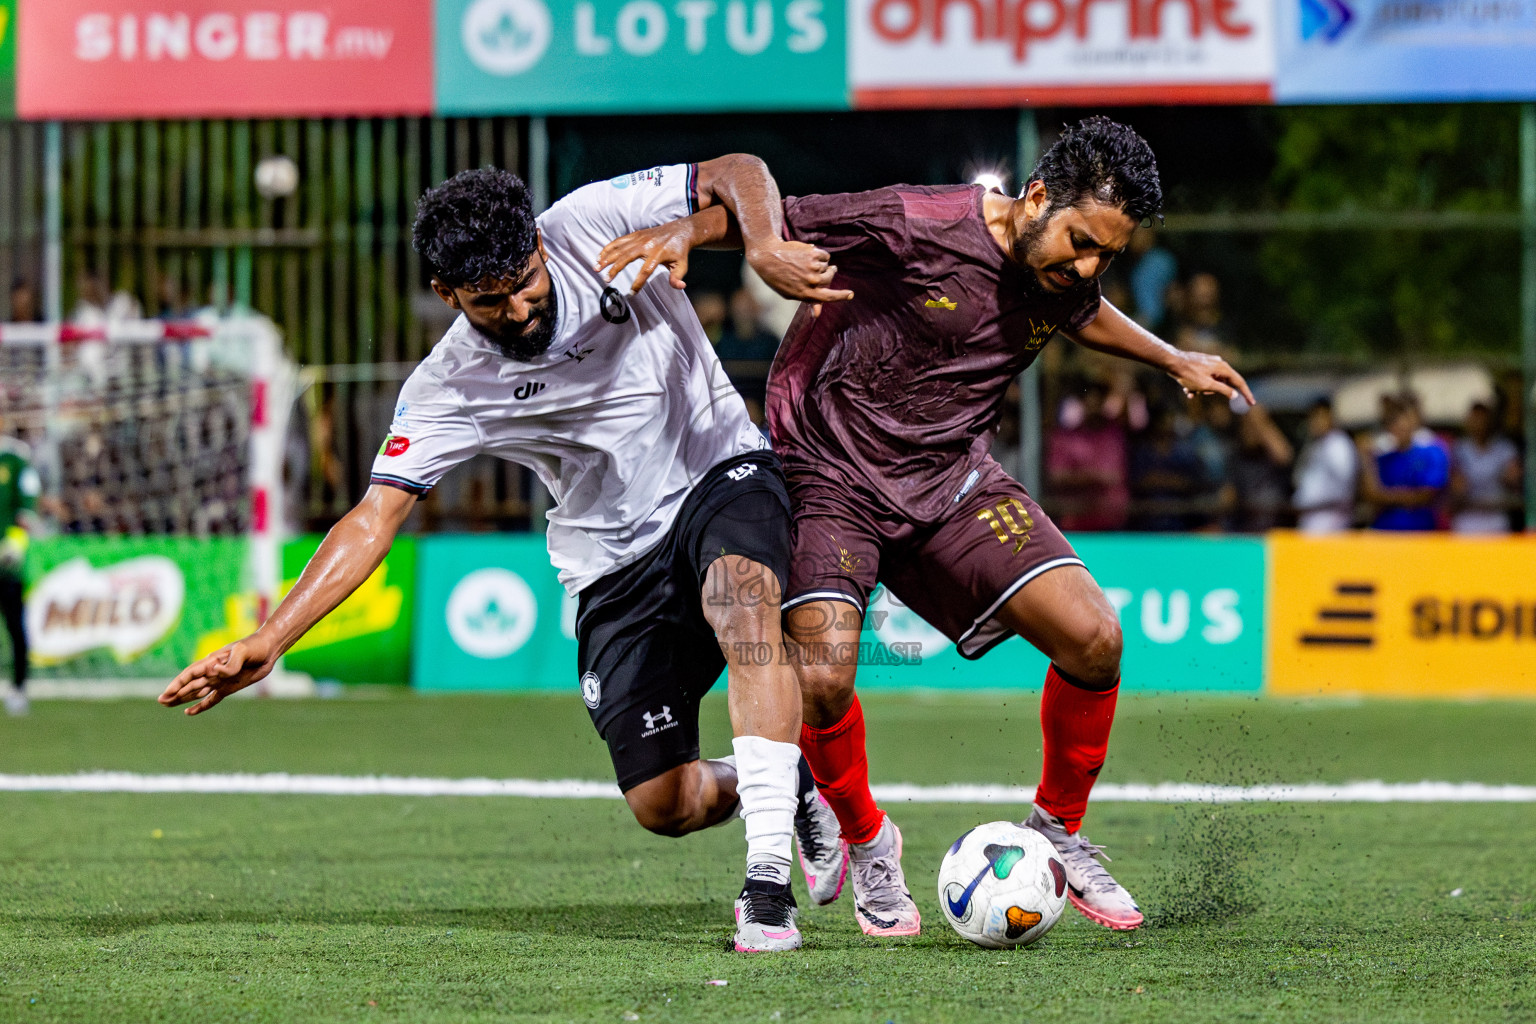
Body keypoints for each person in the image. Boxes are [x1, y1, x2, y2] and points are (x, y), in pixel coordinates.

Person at [159, 158, 854, 953]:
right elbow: (373, 517)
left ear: (536, 243)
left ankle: (766, 885)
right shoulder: (449, 387)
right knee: (665, 804)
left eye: (528, 279)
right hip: (611, 559)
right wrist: (269, 639)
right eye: (493, 300)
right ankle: (782, 781)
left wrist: (758, 240)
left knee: (744, 602)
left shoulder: (592, 219)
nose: (523, 305)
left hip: (717, 470)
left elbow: (736, 171)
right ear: (447, 294)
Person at [602, 116, 1253, 937]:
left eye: (1108, 255)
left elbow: (1084, 310)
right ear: (1038, 197)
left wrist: (1173, 360)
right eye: (1083, 242)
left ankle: (1057, 832)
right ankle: (869, 842)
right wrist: (690, 231)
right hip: (828, 472)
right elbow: (769, 212)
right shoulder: (918, 221)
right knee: (825, 676)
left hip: (950, 475)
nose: (1088, 266)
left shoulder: (1062, 271)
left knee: (1095, 637)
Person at [1045, 381, 1130, 531]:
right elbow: (1057, 476)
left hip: (1112, 520)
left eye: (1098, 403)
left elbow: (1114, 476)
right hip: (1075, 521)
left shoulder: (1114, 436)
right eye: (1090, 402)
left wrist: (1078, 476)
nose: (1094, 408)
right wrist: (1095, 477)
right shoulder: (1065, 438)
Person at [1360, 394, 1448, 531]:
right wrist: (1366, 459)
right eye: (1393, 421)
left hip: (1421, 532)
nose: (1399, 425)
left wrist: (1387, 497)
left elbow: (1426, 495)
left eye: (1404, 418)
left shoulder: (1432, 452)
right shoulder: (1383, 457)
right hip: (1386, 531)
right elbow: (1371, 495)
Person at [0, 417, 40, 716]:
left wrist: (12, 547)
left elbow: (25, 512)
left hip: (6, 565)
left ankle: (18, 688)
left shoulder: (15, 458)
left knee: (15, 626)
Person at [1449, 401, 1520, 534]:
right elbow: (1457, 486)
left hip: (1496, 517)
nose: (1479, 424)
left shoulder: (1504, 448)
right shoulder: (1460, 448)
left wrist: (1509, 477)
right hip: (1467, 518)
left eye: (1483, 419)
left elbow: (1513, 479)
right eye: (1475, 419)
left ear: (1490, 422)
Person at [1292, 398, 1357, 534]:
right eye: (1312, 418)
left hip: (1330, 519)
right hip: (1310, 518)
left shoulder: (1339, 444)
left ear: (1330, 417)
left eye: (1320, 417)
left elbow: (1345, 483)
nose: (1315, 422)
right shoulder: (1315, 444)